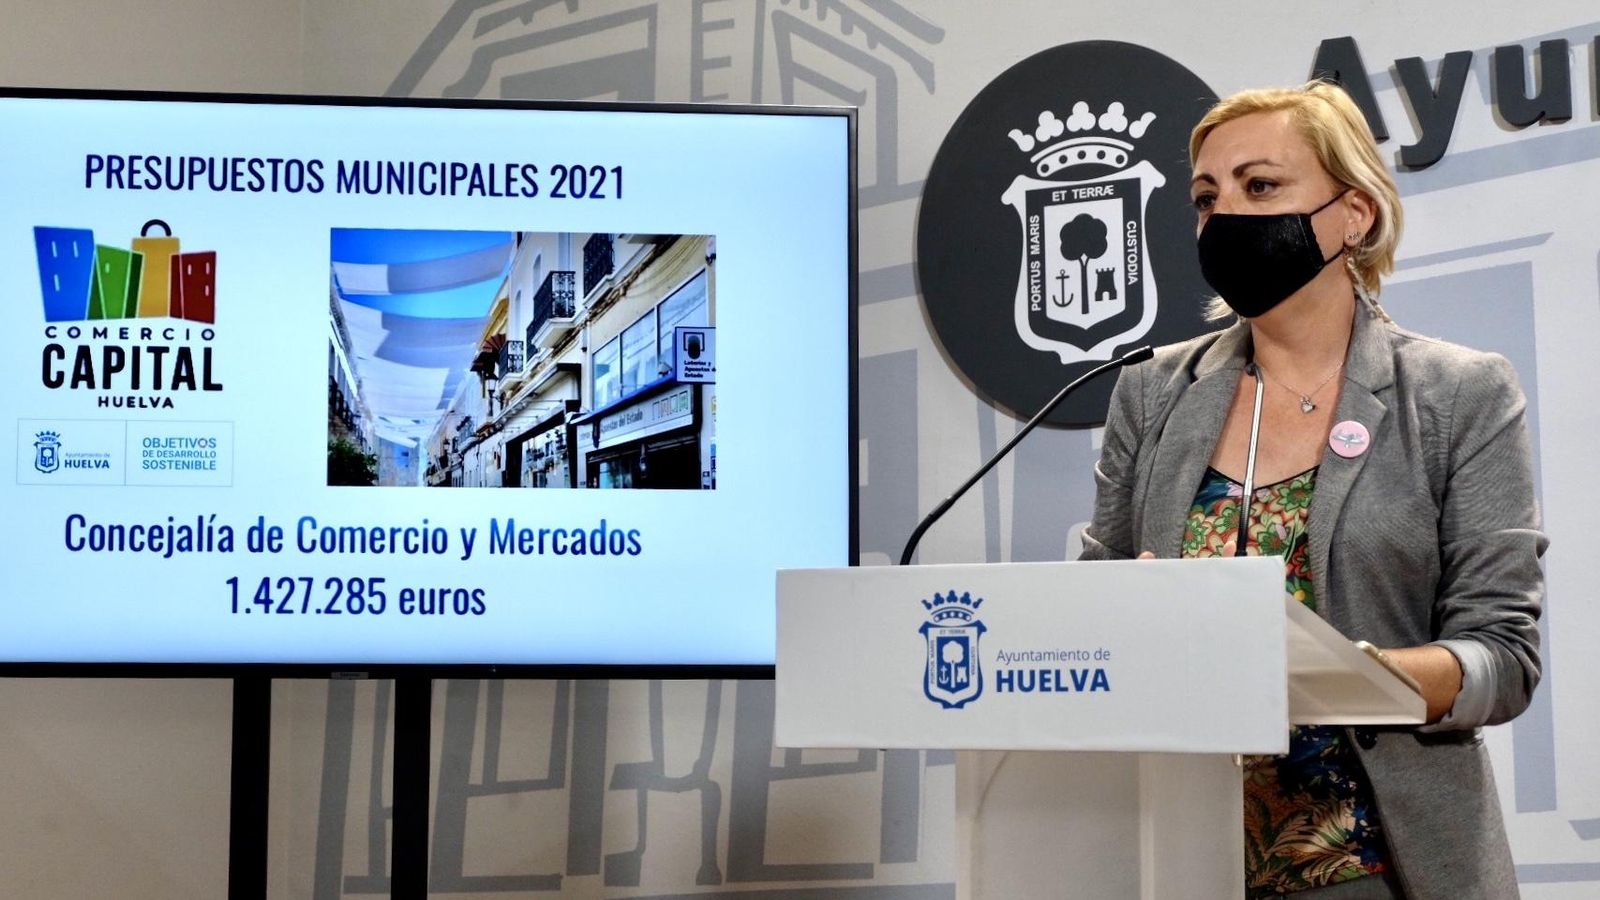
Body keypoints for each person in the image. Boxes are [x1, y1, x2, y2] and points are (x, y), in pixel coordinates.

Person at [1079, 81, 1545, 899]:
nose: (1225, 216)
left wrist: (1351, 672)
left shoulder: (1455, 394)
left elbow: (1502, 659)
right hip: (1176, 856)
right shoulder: (1151, 394)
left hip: (1376, 865)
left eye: (1261, 187)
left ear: (1354, 215)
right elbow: (1091, 613)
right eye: (1206, 197)